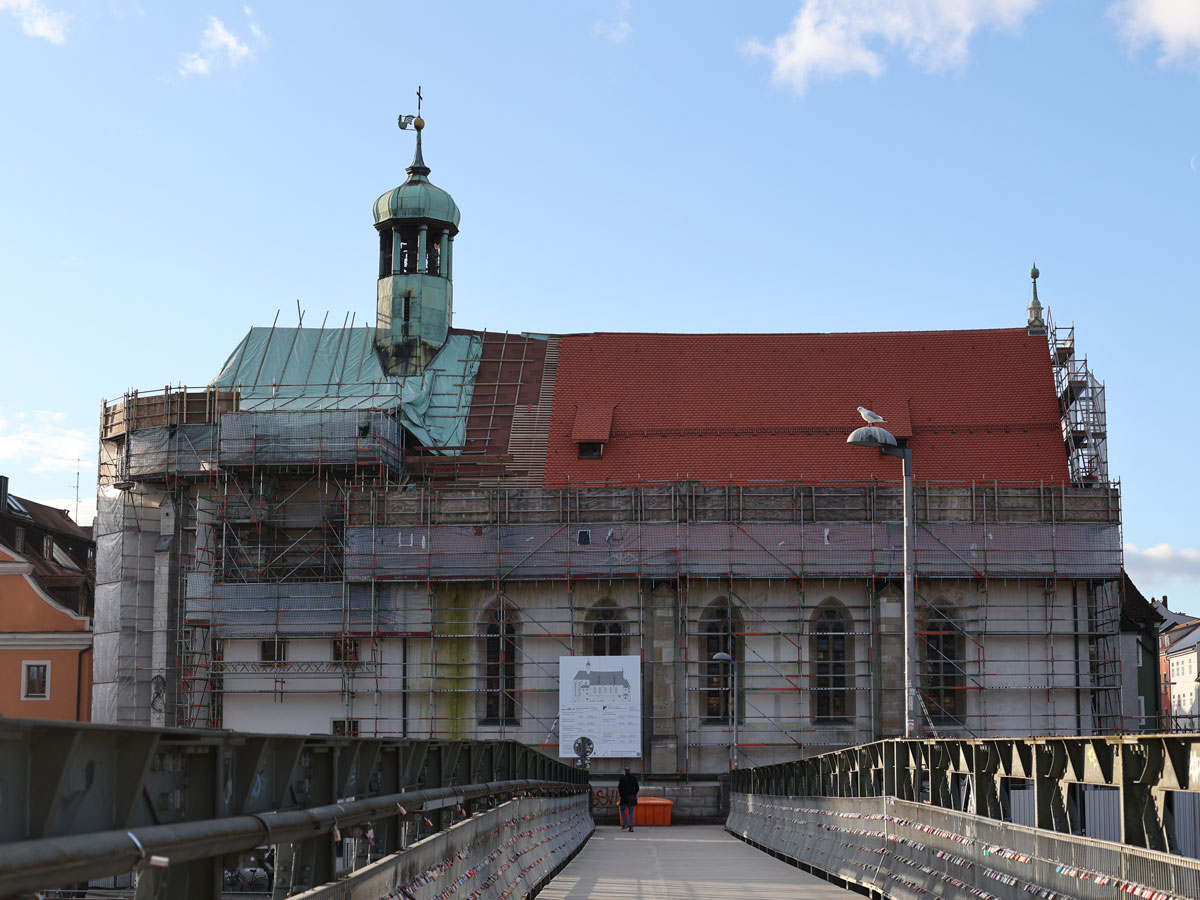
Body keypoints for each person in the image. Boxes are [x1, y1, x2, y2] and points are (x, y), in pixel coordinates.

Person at [617, 766, 639, 832]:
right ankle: (631, 826)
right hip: (631, 798)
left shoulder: (622, 778)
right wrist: (634, 794)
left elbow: (619, 787)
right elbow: (637, 788)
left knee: (622, 810)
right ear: (629, 771)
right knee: (631, 812)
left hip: (624, 798)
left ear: (624, 771)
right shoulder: (634, 778)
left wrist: (622, 795)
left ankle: (626, 824)